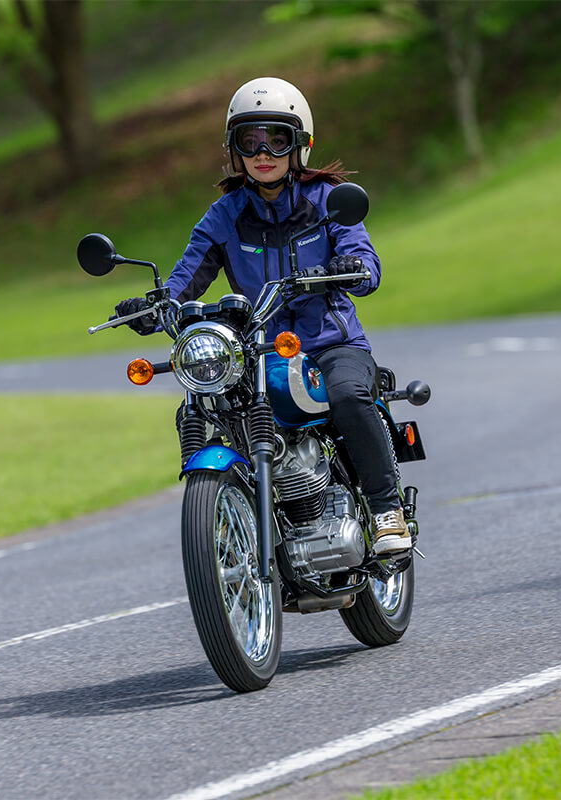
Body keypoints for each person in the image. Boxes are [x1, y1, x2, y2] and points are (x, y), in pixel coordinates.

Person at [113, 76, 409, 556]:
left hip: (329, 342)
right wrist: (155, 305)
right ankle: (229, 521)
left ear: (300, 144)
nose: (263, 151)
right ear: (234, 149)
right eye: (250, 140)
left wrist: (350, 267)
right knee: (211, 403)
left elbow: (365, 262)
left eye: (277, 137)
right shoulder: (224, 215)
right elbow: (187, 276)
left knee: (350, 393)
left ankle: (383, 508)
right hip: (255, 351)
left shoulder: (328, 200)